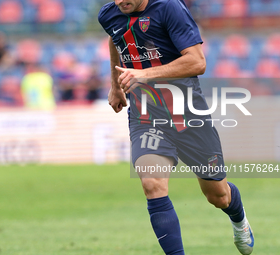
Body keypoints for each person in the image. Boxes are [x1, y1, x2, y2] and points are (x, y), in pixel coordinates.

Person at [98, 1, 254, 255]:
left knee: (218, 196)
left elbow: (197, 62)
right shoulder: (109, 14)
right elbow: (115, 39)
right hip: (145, 115)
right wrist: (116, 84)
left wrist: (145, 75)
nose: (121, 1)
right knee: (152, 183)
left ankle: (239, 221)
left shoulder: (169, 8)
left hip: (188, 116)